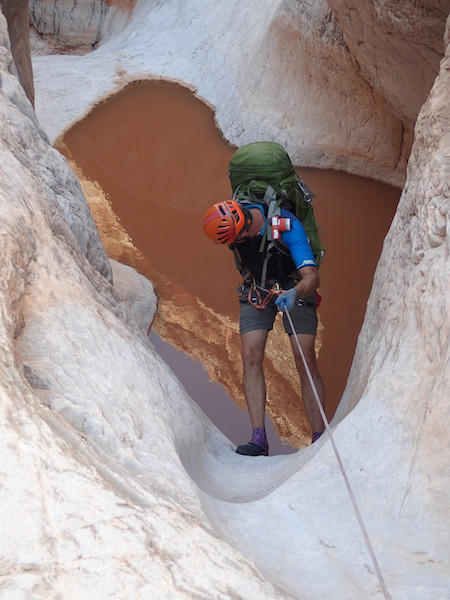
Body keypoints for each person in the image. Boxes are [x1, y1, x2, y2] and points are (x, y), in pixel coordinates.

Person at [203, 199, 325, 456]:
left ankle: (319, 437)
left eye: (239, 238)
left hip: (296, 287)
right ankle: (259, 440)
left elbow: (312, 277)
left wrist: (293, 293)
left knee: (304, 360)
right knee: (249, 356)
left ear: (245, 228)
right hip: (257, 288)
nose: (238, 243)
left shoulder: (286, 225)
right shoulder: (236, 232)